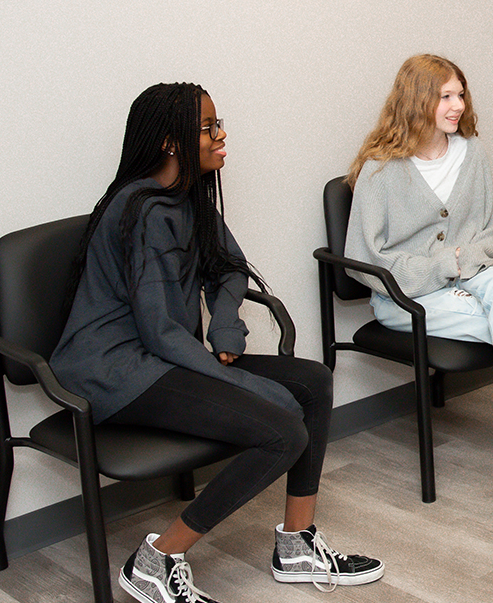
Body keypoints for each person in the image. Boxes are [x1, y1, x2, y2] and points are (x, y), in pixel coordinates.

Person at [52, 83, 383, 603]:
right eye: (209, 128)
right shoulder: (143, 211)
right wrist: (238, 380)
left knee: (313, 382)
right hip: (114, 372)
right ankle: (155, 560)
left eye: (217, 123)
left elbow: (229, 266)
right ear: (171, 142)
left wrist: (224, 321)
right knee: (281, 429)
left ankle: (297, 545)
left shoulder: (188, 198)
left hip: (160, 357)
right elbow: (160, 331)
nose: (221, 135)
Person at [343, 53, 493, 510]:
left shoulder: (472, 154)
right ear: (417, 100)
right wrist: (442, 263)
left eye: (460, 93)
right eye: (445, 96)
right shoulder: (379, 168)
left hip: (471, 275)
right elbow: (362, 259)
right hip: (405, 298)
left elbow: (490, 229)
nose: (457, 104)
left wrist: (459, 260)